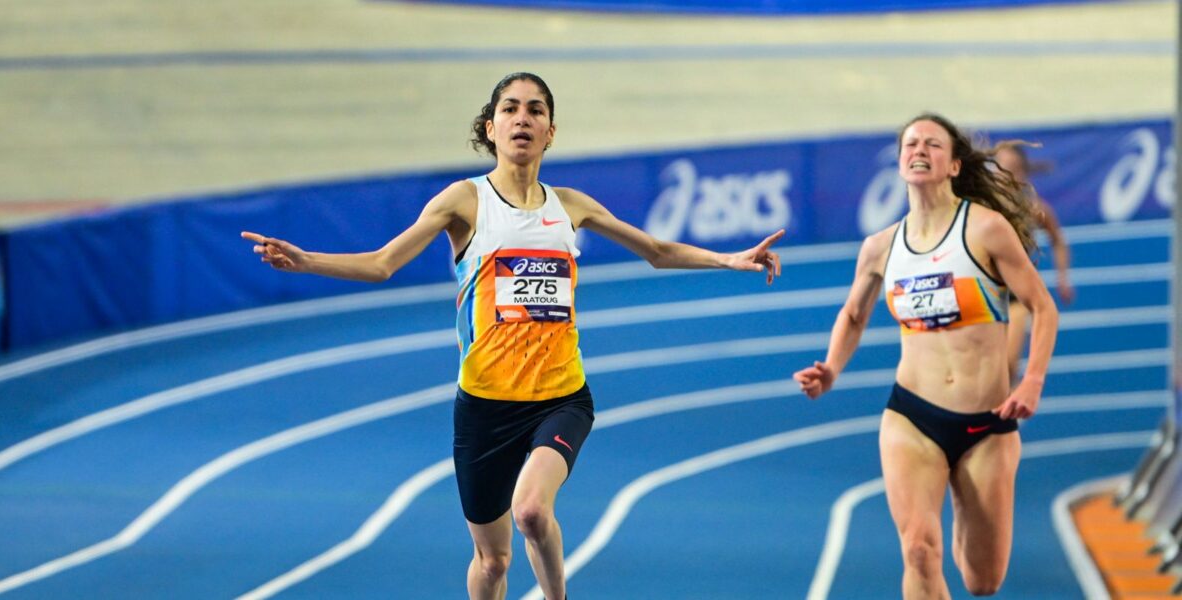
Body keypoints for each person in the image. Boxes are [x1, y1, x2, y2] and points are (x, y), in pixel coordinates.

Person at [241, 72, 784, 600]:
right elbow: (384, 264)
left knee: (530, 510)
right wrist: (307, 260)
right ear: (490, 128)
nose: (522, 118)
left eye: (536, 110)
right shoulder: (464, 202)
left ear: (550, 132)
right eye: (510, 109)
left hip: (561, 398)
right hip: (483, 407)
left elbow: (657, 252)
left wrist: (729, 259)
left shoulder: (571, 206)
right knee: (492, 561)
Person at [793, 113, 1058, 597]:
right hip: (912, 416)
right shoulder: (880, 247)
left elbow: (1043, 308)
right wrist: (831, 368)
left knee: (983, 579)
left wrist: (1032, 381)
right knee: (918, 548)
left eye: (932, 144)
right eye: (910, 143)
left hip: (987, 425)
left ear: (954, 165)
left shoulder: (985, 230)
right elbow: (853, 315)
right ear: (899, 162)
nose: (919, 150)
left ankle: (962, 501)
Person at [992, 140, 1074, 385]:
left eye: (1012, 169)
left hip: (1017, 296)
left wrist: (1062, 277)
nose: (1005, 176)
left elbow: (1058, 240)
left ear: (1023, 174)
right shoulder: (983, 209)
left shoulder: (1034, 208)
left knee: (1008, 362)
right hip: (986, 292)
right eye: (1000, 169)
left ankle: (1008, 412)